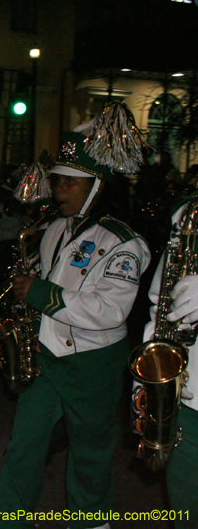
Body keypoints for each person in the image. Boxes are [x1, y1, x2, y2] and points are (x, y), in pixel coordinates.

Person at [0, 132, 151, 529]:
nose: (58, 189)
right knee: (25, 442)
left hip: (93, 361)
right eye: (57, 180)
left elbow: (110, 310)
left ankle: (91, 522)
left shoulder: (123, 243)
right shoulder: (56, 229)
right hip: (47, 354)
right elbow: (53, 279)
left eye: (69, 182)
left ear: (97, 187)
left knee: (90, 450)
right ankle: (9, 520)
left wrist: (38, 292)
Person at [139, 195, 198, 529]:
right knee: (185, 508)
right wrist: (151, 373)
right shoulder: (189, 213)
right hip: (188, 397)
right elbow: (159, 303)